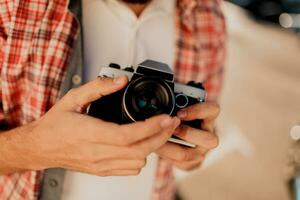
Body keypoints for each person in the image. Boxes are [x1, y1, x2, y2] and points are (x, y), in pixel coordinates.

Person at [0, 0, 225, 199]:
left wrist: (194, 151)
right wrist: (38, 148)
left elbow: (204, 124)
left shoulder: (208, 15)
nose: (145, 101)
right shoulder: (15, 5)